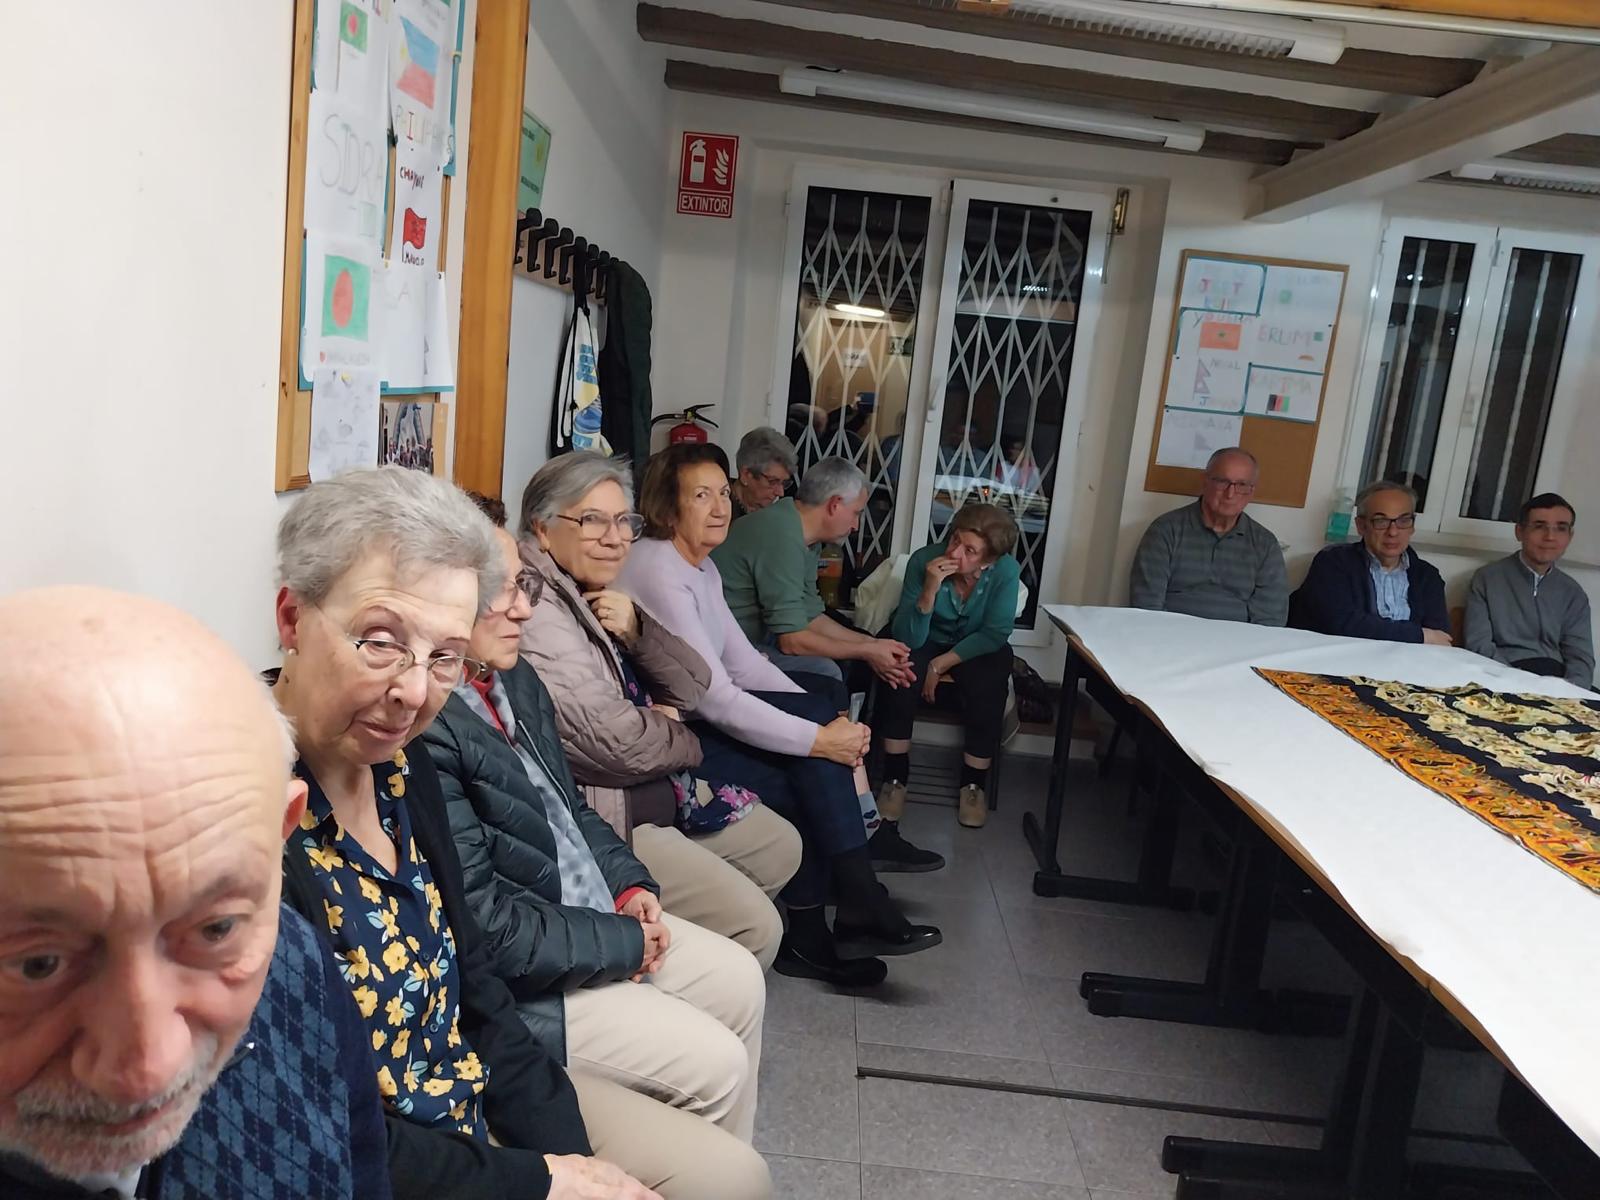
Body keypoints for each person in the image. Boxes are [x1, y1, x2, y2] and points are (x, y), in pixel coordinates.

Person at [268, 467, 660, 1200]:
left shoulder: (402, 768)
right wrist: (542, 1181)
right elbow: (316, 1126)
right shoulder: (254, 819)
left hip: (477, 1116)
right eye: (380, 642)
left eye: (445, 656)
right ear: (292, 620)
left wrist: (569, 1159)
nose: (415, 692)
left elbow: (477, 990)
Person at [423, 507, 772, 1198]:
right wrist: (623, 942)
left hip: (583, 917)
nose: (522, 608)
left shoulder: (513, 678)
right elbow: (491, 932)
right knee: (719, 1065)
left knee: (740, 979)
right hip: (534, 983)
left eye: (525, 585)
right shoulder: (431, 721)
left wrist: (628, 887)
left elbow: (571, 810)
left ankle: (696, 1157)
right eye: (499, 588)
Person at [0, 587, 391, 1200]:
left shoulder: (298, 967)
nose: (147, 1069)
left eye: (215, 929)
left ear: (280, 831)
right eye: (38, 964)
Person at [620, 445, 945, 982]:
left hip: (699, 720)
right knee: (810, 767)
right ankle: (846, 905)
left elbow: (743, 663)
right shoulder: (658, 567)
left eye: (723, 493)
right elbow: (713, 697)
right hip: (670, 737)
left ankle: (842, 908)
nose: (720, 507)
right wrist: (820, 740)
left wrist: (824, 727)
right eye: (701, 496)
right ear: (667, 507)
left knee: (816, 716)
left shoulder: (699, 566)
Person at [514, 452, 801, 969]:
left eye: (624, 520)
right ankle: (673, 981)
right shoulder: (538, 606)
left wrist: (638, 632)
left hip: (656, 789)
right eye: (593, 520)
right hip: (609, 816)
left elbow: (694, 684)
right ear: (542, 527)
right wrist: (685, 738)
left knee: (780, 846)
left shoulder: (597, 587)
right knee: (756, 925)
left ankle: (682, 958)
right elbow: (614, 742)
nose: (615, 538)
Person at [711, 456, 916, 691]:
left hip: (753, 639)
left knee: (848, 659)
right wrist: (866, 651)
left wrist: (874, 644)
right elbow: (792, 641)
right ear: (835, 504)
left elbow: (811, 616)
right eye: (856, 513)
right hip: (723, 647)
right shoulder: (780, 535)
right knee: (825, 671)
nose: (856, 526)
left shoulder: (804, 536)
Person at [877, 505, 1022, 831]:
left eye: (969, 550)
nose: (954, 553)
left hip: (975, 642)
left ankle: (973, 786)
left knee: (991, 678)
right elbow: (908, 636)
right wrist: (929, 590)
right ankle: (895, 778)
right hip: (923, 633)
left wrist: (940, 664)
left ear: (988, 561)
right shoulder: (923, 561)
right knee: (900, 665)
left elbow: (995, 632)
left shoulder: (1005, 571)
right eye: (955, 540)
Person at [1129, 448, 1288, 625]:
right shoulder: (1165, 530)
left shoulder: (1265, 544)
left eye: (1241, 485)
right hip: (1172, 636)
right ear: (1205, 482)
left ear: (1251, 492)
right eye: (1222, 482)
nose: (1230, 494)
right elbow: (1146, 606)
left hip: (1237, 640)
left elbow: (1271, 619)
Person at [1289, 480, 1451, 645]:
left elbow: (1440, 637)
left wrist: (1424, 637)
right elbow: (1343, 625)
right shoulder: (1333, 562)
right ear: (1361, 526)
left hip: (1406, 659)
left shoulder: (1427, 576)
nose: (1393, 532)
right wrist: (1420, 635)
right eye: (1381, 521)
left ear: (1412, 526)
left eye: (1403, 521)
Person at [1465, 493, 1594, 689]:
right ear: (1519, 532)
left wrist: (1572, 691)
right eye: (1539, 526)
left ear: (1570, 536)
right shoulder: (1488, 579)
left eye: (1561, 528)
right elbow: (1478, 645)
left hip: (1559, 683)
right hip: (1504, 678)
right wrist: (1518, 684)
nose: (1550, 537)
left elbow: (1581, 657)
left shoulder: (1573, 593)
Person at [730, 426, 795, 519]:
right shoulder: (721, 511)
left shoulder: (772, 516)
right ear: (745, 474)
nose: (781, 493)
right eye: (772, 481)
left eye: (784, 483)